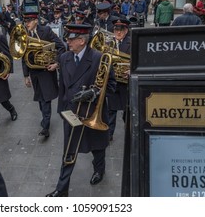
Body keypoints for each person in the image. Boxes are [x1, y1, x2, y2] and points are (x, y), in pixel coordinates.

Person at [46, 24, 116, 197]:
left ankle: (99, 170)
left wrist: (93, 92)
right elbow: (63, 86)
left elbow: (112, 85)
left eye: (71, 39)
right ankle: (61, 189)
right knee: (69, 151)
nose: (67, 42)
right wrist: (62, 110)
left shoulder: (99, 57)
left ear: (82, 41)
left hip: (92, 112)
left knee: (97, 147)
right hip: (72, 112)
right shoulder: (64, 58)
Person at [22, 11, 66, 138]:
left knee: (46, 99)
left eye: (29, 21)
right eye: (25, 21)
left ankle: (45, 127)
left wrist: (56, 64)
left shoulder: (46, 30)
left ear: (36, 20)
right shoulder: (24, 34)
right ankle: (45, 118)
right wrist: (26, 76)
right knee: (40, 99)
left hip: (47, 71)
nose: (27, 23)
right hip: (34, 71)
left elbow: (61, 47)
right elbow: (23, 56)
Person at [107, 17, 131, 142]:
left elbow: (138, 60)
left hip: (126, 84)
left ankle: (130, 134)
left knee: (127, 111)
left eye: (121, 29)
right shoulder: (108, 43)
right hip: (113, 83)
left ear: (126, 31)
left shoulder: (132, 43)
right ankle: (109, 134)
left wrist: (132, 70)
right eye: (116, 29)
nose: (118, 32)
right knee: (111, 110)